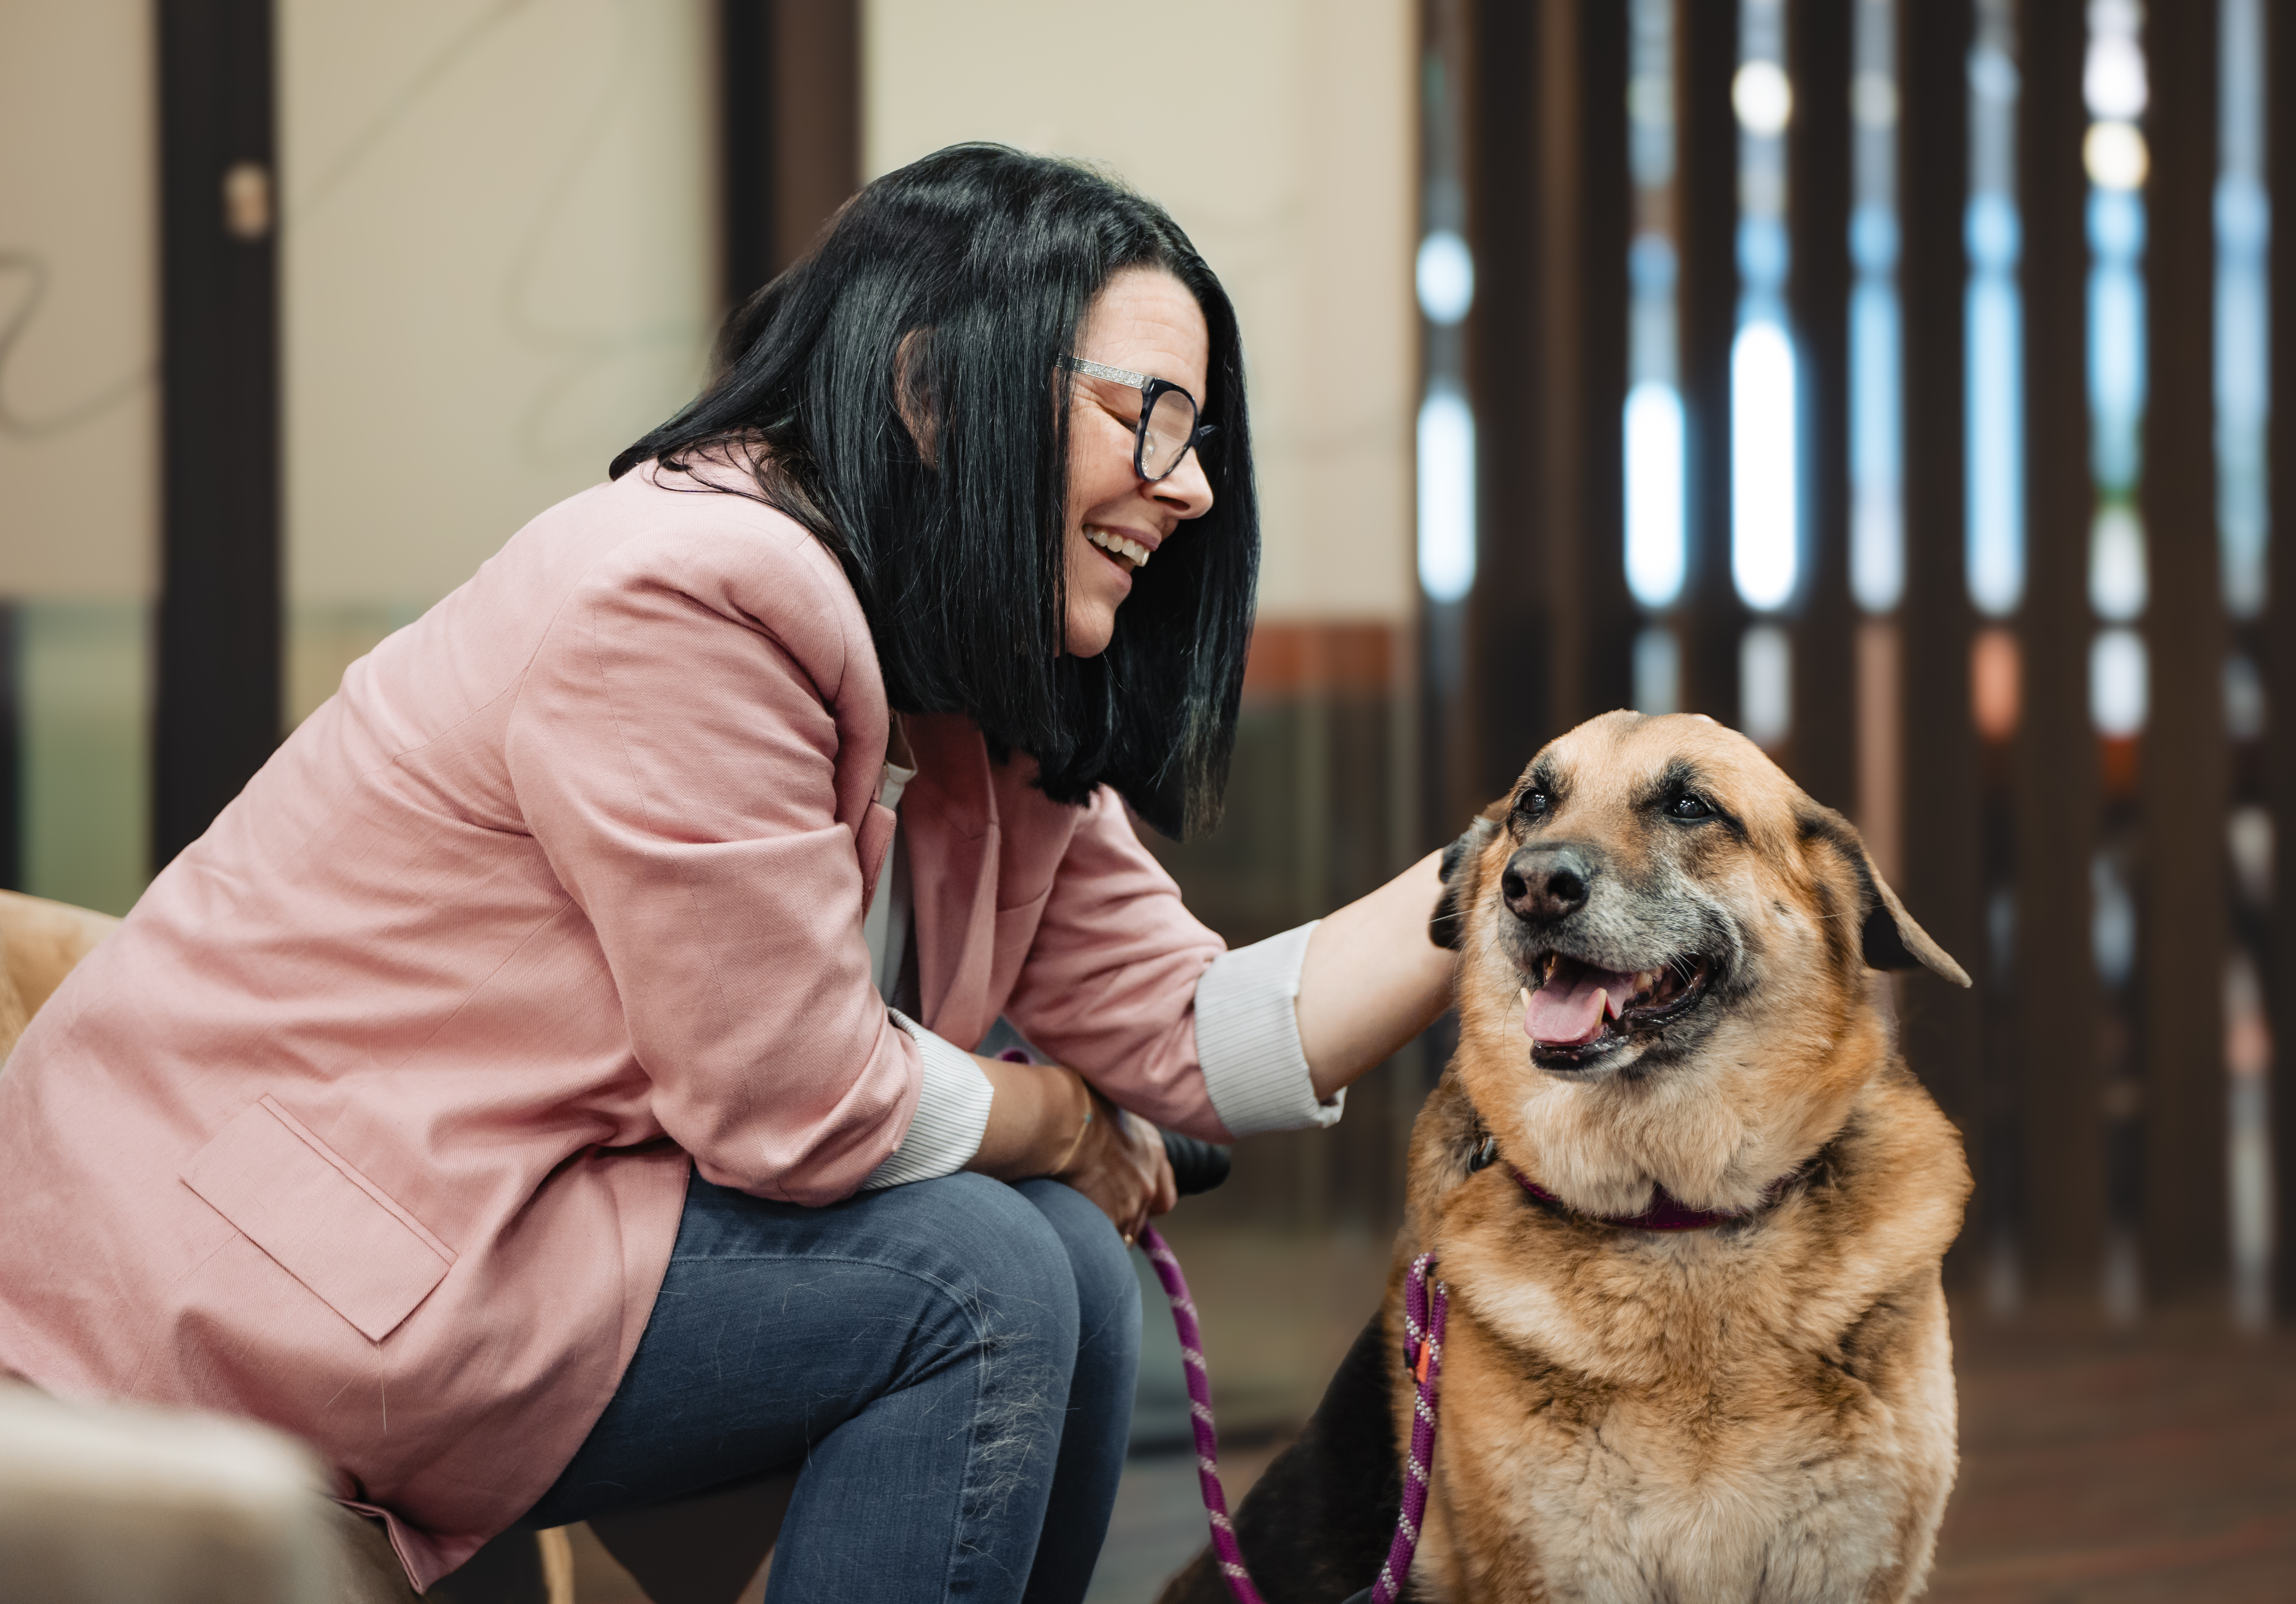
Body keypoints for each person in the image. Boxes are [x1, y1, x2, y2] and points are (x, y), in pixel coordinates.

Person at [0, 144, 1454, 1602]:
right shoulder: (688, 592)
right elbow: (800, 1102)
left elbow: (1204, 1031)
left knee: (1067, 1255)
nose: (1191, 486)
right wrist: (1064, 1113)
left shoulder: (980, 701)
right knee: (981, 1280)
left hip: (508, 1237)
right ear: (935, 391)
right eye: (1152, 419)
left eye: (1201, 438)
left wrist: (1516, 858)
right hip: (275, 1263)